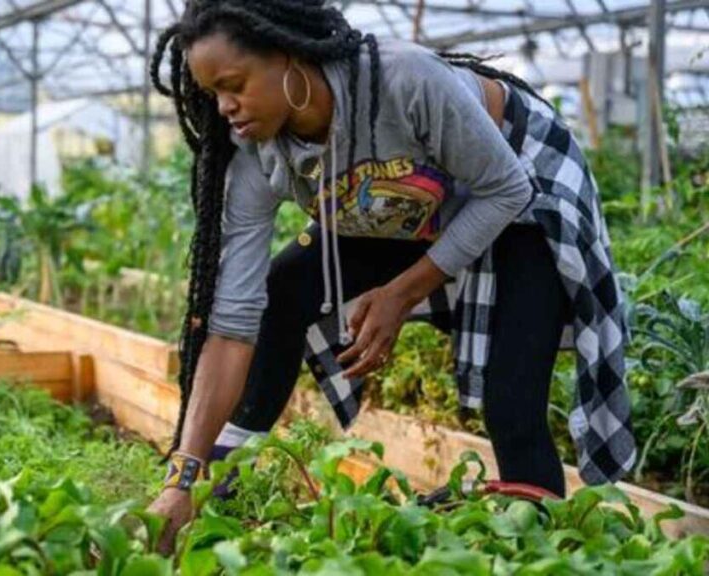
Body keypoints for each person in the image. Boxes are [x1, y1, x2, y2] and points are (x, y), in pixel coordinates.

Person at [146, 0, 635, 554]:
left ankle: (542, 548)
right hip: (401, 199)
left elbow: (505, 189)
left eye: (234, 84)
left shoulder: (404, 80)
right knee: (284, 290)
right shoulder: (256, 151)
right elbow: (232, 326)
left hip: (519, 186)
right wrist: (181, 475)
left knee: (512, 399)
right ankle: (217, 488)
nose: (226, 107)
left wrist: (401, 294)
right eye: (213, 94)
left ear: (287, 56)